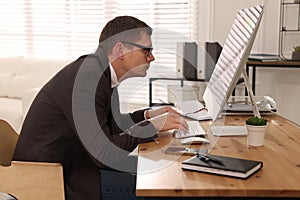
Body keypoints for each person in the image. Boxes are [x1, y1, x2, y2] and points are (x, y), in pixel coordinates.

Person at [13, 16, 188, 200]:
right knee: (164, 188)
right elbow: (104, 154)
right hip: (52, 178)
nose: (152, 57)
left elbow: (112, 126)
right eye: (146, 50)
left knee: (162, 172)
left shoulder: (99, 73)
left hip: (78, 164)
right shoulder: (88, 80)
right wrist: (153, 126)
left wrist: (147, 115)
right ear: (120, 49)